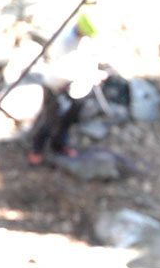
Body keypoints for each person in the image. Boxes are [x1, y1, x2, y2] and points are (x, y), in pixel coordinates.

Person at [27, 13, 106, 166]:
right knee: (50, 119)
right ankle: (36, 149)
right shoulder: (64, 42)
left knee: (68, 118)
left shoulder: (81, 40)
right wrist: (89, 75)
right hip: (56, 86)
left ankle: (59, 145)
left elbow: (85, 59)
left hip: (74, 87)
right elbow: (63, 68)